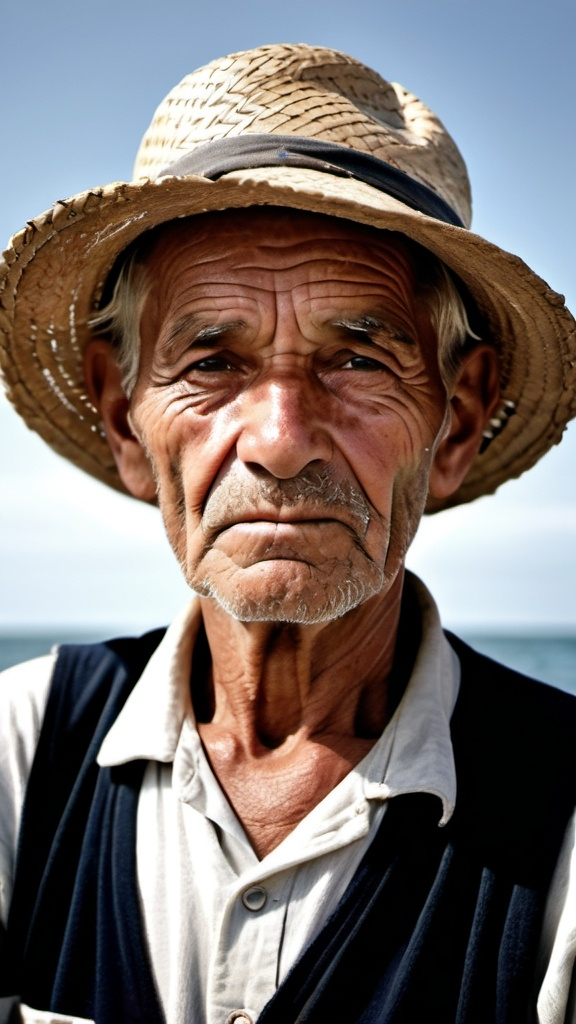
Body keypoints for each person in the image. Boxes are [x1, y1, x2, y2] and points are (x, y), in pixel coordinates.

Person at [0, 43, 575, 1024]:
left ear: (459, 420)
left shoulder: (561, 820)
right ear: (120, 414)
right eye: (212, 361)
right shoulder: (18, 755)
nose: (279, 439)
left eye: (356, 358)